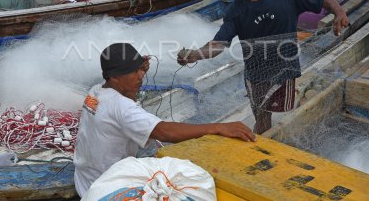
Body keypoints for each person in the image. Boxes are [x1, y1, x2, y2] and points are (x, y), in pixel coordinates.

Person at [177, 0, 349, 135]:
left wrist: (339, 12)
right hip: (256, 72)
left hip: (284, 67)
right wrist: (194, 55)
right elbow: (219, 44)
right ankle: (260, 146)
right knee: (262, 116)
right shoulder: (236, 10)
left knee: (276, 110)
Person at [74, 43, 255, 197]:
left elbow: (121, 108)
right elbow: (164, 131)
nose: (141, 76)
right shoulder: (122, 108)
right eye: (134, 72)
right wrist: (217, 127)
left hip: (84, 177)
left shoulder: (96, 91)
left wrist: (135, 73)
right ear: (114, 77)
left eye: (141, 69)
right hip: (106, 188)